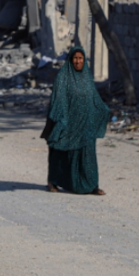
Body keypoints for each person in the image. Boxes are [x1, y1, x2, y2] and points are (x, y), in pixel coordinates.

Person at [42, 46, 110, 195]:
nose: (78, 61)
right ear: (71, 60)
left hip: (86, 124)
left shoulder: (87, 77)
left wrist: (104, 110)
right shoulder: (63, 77)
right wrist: (61, 118)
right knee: (60, 152)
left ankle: (92, 185)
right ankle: (52, 182)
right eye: (75, 58)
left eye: (80, 58)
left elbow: (94, 98)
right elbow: (58, 99)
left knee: (88, 155)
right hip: (67, 122)